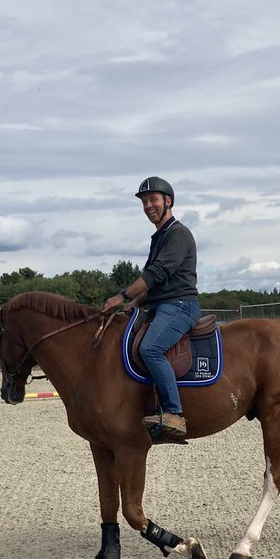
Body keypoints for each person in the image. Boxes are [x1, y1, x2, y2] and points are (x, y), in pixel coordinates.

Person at [103, 176, 200, 438]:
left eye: (153, 200)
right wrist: (133, 304)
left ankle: (174, 413)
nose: (148, 205)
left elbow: (156, 274)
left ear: (168, 202)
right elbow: (153, 285)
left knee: (151, 348)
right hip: (160, 306)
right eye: (144, 201)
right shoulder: (159, 236)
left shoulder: (177, 233)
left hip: (180, 306)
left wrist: (121, 296)